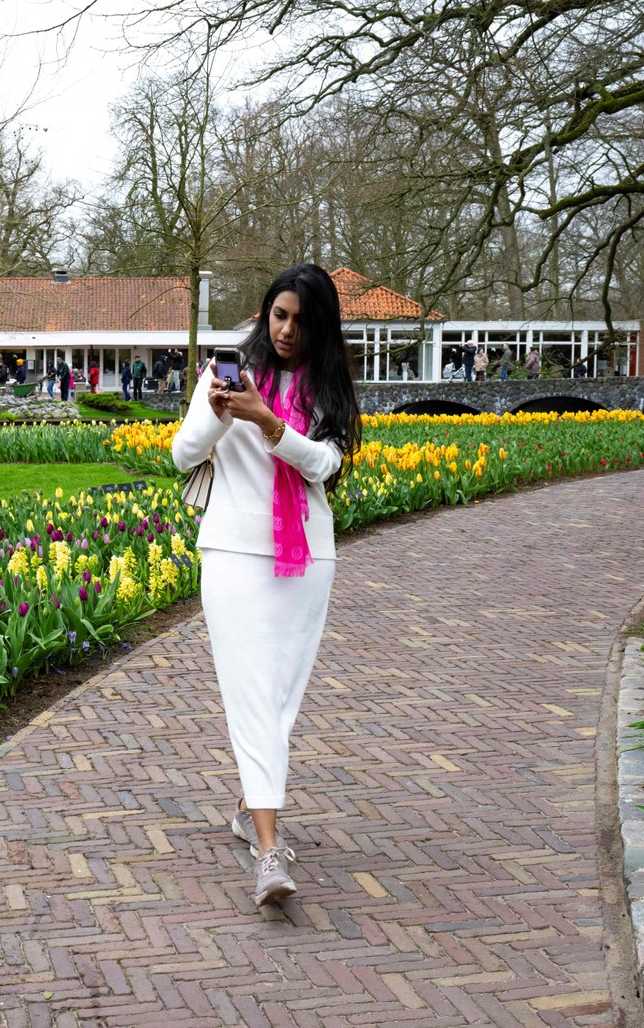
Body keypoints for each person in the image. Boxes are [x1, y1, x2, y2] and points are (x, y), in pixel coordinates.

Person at [170, 263, 361, 910]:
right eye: (278, 315)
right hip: (231, 554)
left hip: (308, 558)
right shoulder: (229, 373)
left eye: (300, 321)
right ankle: (269, 852)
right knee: (252, 698)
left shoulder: (325, 385)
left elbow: (325, 463)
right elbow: (182, 452)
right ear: (264, 313)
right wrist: (228, 412)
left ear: (320, 328)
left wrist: (271, 424)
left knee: (280, 698)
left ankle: (247, 807)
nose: (285, 330)